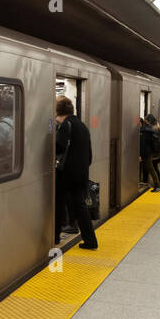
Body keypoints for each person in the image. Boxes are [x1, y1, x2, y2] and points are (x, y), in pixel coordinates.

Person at [54, 96, 97, 249]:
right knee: (81, 206)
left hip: (67, 174)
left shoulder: (67, 125)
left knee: (59, 203)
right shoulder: (81, 125)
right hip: (81, 173)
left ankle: (55, 236)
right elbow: (89, 154)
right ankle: (90, 240)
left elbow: (58, 147)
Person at [54, 112, 72, 234]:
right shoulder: (72, 126)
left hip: (63, 169)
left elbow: (59, 146)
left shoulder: (65, 127)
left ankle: (66, 224)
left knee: (63, 198)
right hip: (67, 169)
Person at [138, 116, 160, 193]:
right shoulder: (149, 130)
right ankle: (156, 184)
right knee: (151, 168)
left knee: (151, 169)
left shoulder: (143, 132)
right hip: (149, 152)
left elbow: (143, 145)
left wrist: (141, 155)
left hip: (146, 153)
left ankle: (157, 185)